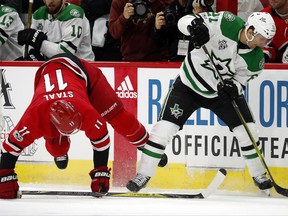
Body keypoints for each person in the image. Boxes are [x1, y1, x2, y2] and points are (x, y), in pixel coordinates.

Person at [126, 11, 276, 193]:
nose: (265, 44)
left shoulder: (257, 59)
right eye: (263, 38)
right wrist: (194, 27)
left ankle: (259, 174)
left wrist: (233, 88)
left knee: (248, 130)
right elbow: (184, 20)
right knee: (163, 129)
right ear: (251, 31)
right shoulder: (226, 22)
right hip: (188, 86)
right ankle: (143, 175)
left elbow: (242, 80)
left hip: (219, 94)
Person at [0, 53, 165, 199]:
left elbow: (101, 137)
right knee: (54, 140)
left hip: (84, 74)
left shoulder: (85, 111)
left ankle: (147, 146)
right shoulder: (35, 116)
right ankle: (59, 152)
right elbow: (10, 147)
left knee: (116, 115)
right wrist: (5, 180)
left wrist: (100, 173)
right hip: (49, 90)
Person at [17, 0, 95, 61]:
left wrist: (39, 42)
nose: (51, 1)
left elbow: (65, 53)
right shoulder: (38, 14)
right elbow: (30, 45)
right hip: (54, 64)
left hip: (82, 67)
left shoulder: (75, 15)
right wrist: (31, 54)